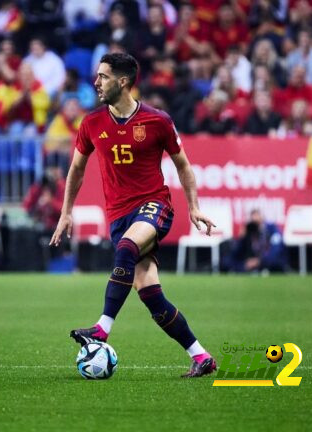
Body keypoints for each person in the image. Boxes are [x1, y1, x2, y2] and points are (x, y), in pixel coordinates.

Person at [49, 53, 217, 378]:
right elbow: (76, 170)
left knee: (127, 248)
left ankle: (101, 328)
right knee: (150, 292)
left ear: (123, 81)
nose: (96, 82)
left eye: (103, 76)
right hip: (118, 215)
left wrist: (194, 206)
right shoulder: (92, 123)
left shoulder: (157, 121)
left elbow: (182, 164)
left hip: (154, 205)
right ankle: (200, 356)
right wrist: (66, 212)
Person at [226, 209, 287, 273]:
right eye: (254, 221)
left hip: (269, 262)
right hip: (252, 260)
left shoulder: (272, 229)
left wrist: (259, 261)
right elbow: (236, 253)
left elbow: (276, 250)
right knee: (228, 262)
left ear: (262, 218)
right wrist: (242, 238)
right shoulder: (250, 230)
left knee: (276, 260)